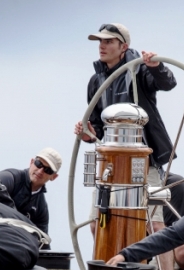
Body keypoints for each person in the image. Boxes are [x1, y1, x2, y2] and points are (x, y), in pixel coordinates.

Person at [74, 23, 177, 234]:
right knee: (97, 224)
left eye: (108, 41)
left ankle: (163, 269)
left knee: (154, 225)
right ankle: (106, 267)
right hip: (111, 162)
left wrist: (156, 66)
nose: (102, 46)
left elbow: (167, 83)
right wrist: (88, 134)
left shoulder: (140, 71)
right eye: (100, 41)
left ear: (124, 47)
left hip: (143, 160)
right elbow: (97, 128)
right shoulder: (96, 81)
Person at [0, 148, 61, 247]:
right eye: (39, 163)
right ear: (31, 162)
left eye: (47, 170)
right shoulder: (8, 179)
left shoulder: (41, 207)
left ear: (53, 177)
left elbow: (43, 243)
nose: (40, 171)